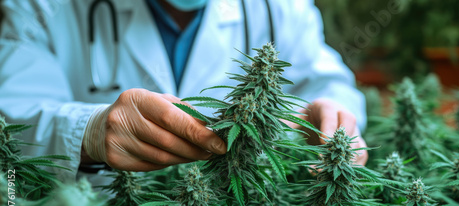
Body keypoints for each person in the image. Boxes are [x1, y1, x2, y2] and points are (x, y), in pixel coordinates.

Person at [0, 0, 367, 182]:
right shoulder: (42, 6)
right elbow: (10, 112)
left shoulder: (279, 7)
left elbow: (326, 81)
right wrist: (87, 131)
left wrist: (334, 111)